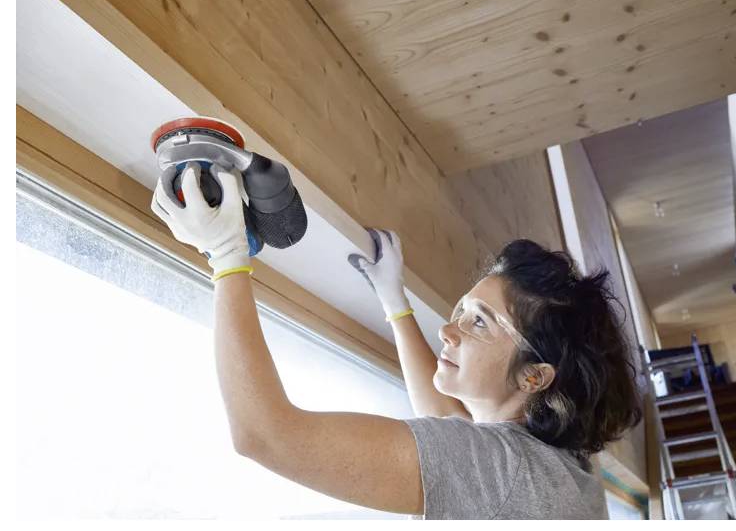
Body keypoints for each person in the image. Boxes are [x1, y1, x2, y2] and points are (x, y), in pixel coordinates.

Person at [151, 163, 643, 519]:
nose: (447, 331)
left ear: (534, 375)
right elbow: (447, 426)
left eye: (478, 323)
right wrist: (396, 304)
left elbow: (267, 435)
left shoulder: (507, 471)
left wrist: (227, 256)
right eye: (459, 312)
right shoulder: (555, 465)